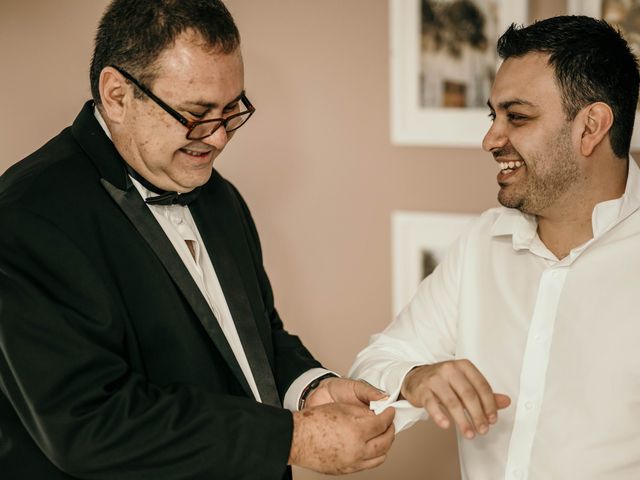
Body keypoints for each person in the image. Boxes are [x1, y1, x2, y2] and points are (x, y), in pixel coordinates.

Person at [0, 1, 395, 479]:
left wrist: (311, 390)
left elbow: (255, 337)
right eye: (196, 112)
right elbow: (90, 424)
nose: (220, 138)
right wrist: (293, 437)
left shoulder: (218, 196)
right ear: (117, 95)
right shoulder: (26, 218)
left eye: (232, 110)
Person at [350, 15, 640, 480]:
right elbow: (372, 366)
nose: (490, 140)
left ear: (592, 127)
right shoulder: (482, 244)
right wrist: (416, 377)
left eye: (517, 117)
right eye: (494, 116)